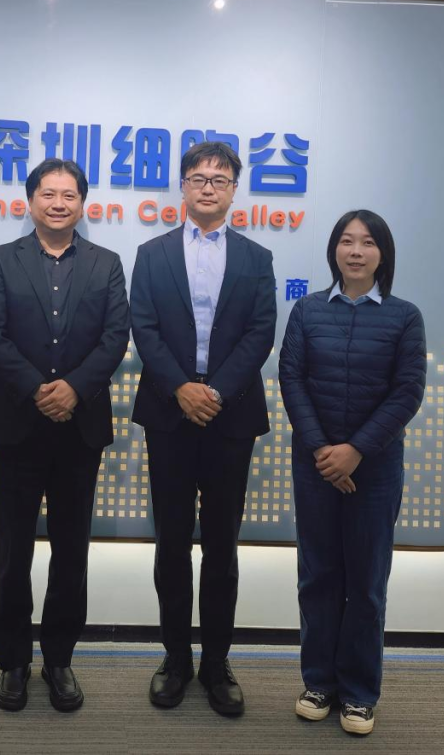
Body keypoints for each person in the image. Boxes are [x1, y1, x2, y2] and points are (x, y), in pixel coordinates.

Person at [0, 158, 130, 712]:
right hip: (17, 423)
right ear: (30, 200)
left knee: (71, 549)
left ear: (82, 203)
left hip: (79, 427)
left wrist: (74, 390)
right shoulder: (2, 259)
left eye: (69, 195)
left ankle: (59, 658)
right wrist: (39, 390)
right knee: (13, 549)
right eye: (48, 194)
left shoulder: (107, 264)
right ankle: (13, 662)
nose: (58, 203)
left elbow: (115, 337)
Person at [130, 141, 277, 717]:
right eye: (198, 178)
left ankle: (217, 663)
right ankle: (175, 659)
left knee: (222, 545)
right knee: (170, 543)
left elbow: (260, 332)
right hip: (169, 414)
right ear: (183, 187)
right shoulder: (152, 253)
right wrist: (180, 388)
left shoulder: (257, 258)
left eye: (219, 179)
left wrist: (215, 392)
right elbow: (143, 327)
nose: (208, 187)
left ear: (234, 189)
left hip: (229, 416)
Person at [278, 209, 426, 735]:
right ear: (334, 251)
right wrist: (325, 451)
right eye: (346, 241)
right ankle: (319, 682)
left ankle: (360, 693)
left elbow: (407, 390)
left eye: (367, 243)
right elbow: (291, 379)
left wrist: (356, 451)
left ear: (383, 254)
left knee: (366, 581)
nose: (356, 251)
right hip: (315, 465)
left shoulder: (404, 317)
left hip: (375, 469)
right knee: (318, 575)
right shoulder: (307, 310)